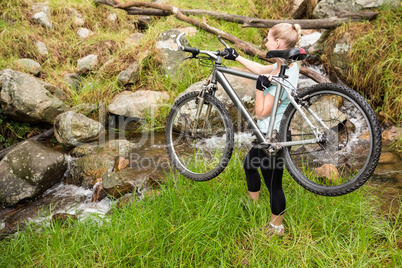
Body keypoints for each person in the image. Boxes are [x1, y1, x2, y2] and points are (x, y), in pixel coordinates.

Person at [224, 23, 302, 235]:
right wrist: (237, 57)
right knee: (249, 165)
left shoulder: (280, 76)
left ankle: (277, 227)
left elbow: (261, 112)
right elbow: (261, 69)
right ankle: (253, 206)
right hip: (266, 135)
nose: (265, 43)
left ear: (277, 43)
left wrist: (259, 89)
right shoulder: (287, 66)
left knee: (274, 183)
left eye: (268, 39)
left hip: (273, 137)